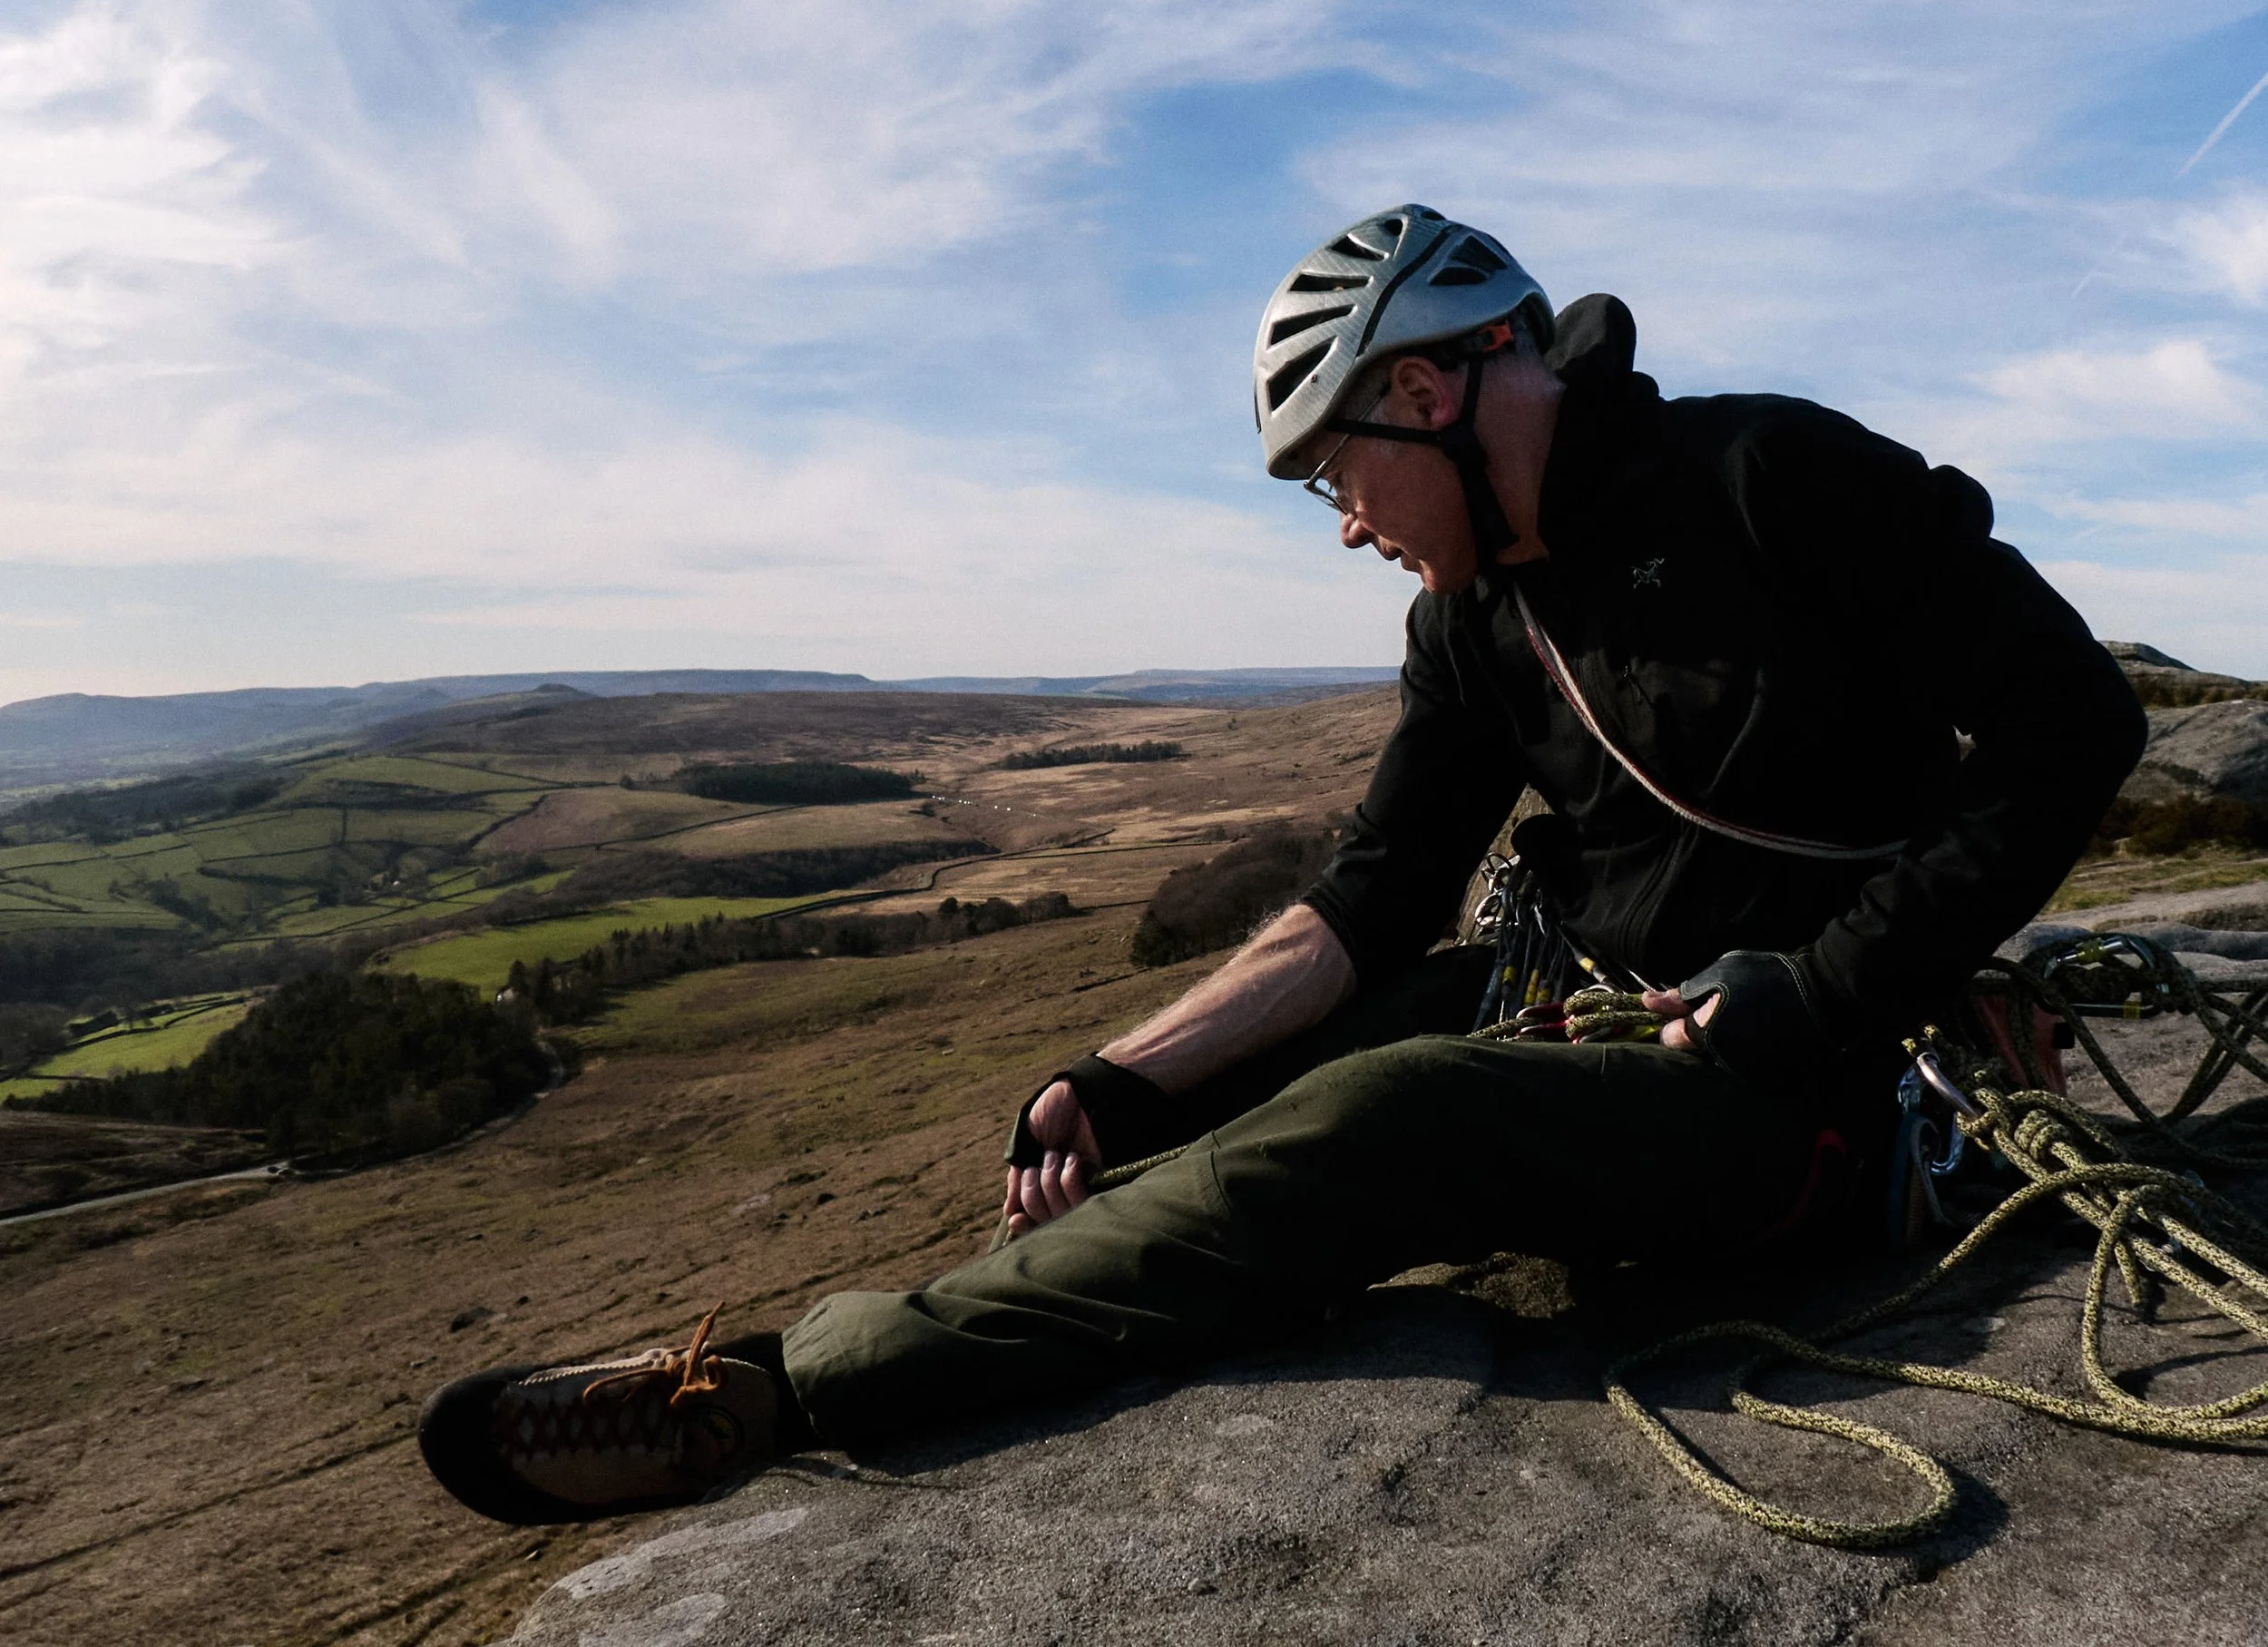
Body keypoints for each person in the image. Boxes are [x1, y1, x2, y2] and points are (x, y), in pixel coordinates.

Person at [419, 204, 2146, 1525]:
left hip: (1836, 1090)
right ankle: (1057, 1243)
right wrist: (1121, 1079)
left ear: (1424, 388)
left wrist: (1825, 992)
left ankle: (784, 1388)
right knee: (1350, 1036)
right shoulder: (1471, 623)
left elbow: (2072, 725)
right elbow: (1370, 894)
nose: (1344, 518)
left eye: (1336, 469)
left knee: (1395, 1114)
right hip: (1627, 1032)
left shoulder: (1770, 477)